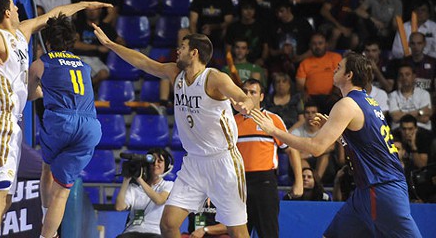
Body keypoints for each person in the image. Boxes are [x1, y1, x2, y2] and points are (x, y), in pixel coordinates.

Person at [0, 0, 110, 238]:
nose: (18, 9)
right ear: (6, 12)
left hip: (11, 124)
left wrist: (84, 5)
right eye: (14, 6)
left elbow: (53, 15)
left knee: (4, 201)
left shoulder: (23, 31)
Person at [93, 28, 254, 238]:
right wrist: (111, 45)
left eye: (183, 47)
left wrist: (246, 106)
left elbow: (243, 96)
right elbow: (142, 62)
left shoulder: (214, 78)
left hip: (223, 162)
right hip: (194, 162)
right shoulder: (174, 73)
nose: (178, 50)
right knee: (168, 224)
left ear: (194, 53)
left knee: (238, 232)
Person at [250, 52, 421, 237]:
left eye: (339, 67)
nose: (334, 69)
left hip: (381, 188)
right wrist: (338, 133)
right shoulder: (370, 102)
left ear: (349, 75)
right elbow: (366, 143)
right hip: (366, 190)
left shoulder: (346, 104)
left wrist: (274, 130)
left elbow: (316, 148)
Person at [27, 14, 103, 238]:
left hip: (62, 122)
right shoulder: (85, 66)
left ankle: (45, 220)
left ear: (48, 42)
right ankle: (48, 234)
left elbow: (31, 95)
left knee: (47, 169)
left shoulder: (41, 64)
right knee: (62, 192)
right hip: (90, 126)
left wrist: (42, 91)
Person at [236, 78, 303, 238]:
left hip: (264, 182)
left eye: (253, 92)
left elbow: (291, 150)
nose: (248, 95)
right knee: (238, 234)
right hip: (237, 184)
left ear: (261, 96)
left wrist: (299, 182)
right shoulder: (232, 121)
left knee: (268, 233)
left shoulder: (272, 120)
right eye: (244, 91)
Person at [115, 148, 174, 238]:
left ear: (166, 166)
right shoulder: (134, 188)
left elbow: (159, 200)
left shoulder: (168, 185)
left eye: (159, 161)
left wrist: (139, 179)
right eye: (153, 161)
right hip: (132, 232)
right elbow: (119, 207)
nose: (155, 164)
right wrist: (126, 180)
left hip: (155, 232)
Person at [290, 101, 334, 180]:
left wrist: (311, 153)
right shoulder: (297, 132)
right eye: (307, 112)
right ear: (303, 115)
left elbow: (331, 147)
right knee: (299, 159)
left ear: (318, 114)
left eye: (313, 112)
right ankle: (306, 182)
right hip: (304, 160)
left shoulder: (325, 129)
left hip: (321, 159)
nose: (310, 115)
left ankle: (317, 182)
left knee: (325, 156)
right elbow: (292, 150)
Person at [388, 63, 432, 130]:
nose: (404, 78)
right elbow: (396, 118)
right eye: (401, 75)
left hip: (421, 129)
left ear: (414, 76)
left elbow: (425, 119)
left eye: (407, 74)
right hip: (399, 131)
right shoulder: (392, 95)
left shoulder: (424, 94)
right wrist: (419, 112)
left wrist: (402, 114)